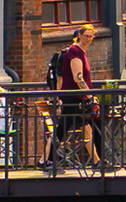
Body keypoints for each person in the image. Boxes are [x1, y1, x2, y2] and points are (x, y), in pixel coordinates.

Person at [43, 24, 103, 170]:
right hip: (74, 98)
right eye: (86, 36)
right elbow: (78, 77)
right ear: (79, 35)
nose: (88, 39)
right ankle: (49, 160)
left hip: (77, 98)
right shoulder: (75, 52)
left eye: (91, 36)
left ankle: (100, 161)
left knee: (92, 126)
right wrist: (89, 95)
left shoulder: (80, 52)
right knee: (65, 129)